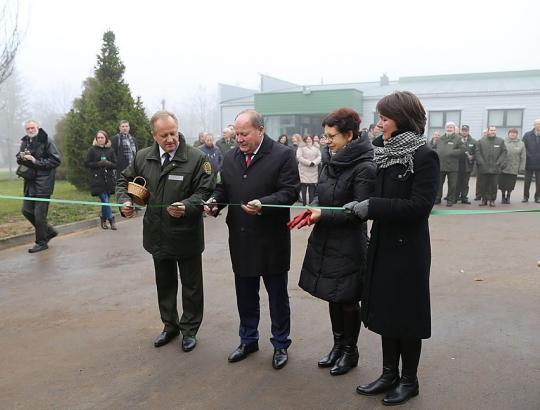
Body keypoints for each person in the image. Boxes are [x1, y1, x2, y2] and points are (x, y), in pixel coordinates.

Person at [344, 91, 439, 406]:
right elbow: (373, 191)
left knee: (406, 315)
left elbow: (419, 207)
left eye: (384, 118)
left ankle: (409, 380)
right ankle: (389, 374)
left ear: (401, 118)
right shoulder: (383, 152)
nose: (379, 124)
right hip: (383, 244)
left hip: (409, 250)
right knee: (385, 310)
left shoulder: (423, 156)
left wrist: (372, 206)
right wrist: (355, 200)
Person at [205, 109, 300, 370]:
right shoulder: (231, 157)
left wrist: (264, 204)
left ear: (260, 130)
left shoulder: (283, 155)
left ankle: (280, 343)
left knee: (277, 296)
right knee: (245, 294)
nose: (239, 139)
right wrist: (214, 203)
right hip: (241, 238)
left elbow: (290, 192)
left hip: (271, 239)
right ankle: (248, 339)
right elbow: (223, 188)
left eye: (244, 133)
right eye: (236, 134)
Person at [116, 111, 214, 352]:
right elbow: (125, 182)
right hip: (156, 234)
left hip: (186, 234)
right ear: (154, 135)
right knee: (165, 283)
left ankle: (189, 330)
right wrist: (125, 202)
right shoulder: (143, 157)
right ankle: (169, 325)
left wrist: (188, 206)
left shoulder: (196, 158)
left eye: (173, 133)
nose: (170, 139)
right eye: (164, 135)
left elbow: (204, 191)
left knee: (191, 286)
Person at [293, 108, 375, 376]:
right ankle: (337, 345)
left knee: (348, 299)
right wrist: (313, 209)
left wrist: (322, 214)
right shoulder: (330, 159)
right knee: (332, 295)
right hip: (325, 236)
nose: (326, 141)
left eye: (331, 136)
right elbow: (320, 194)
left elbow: (358, 212)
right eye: (325, 136)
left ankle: (350, 351)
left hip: (349, 242)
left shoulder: (364, 166)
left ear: (349, 135)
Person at [16, 120, 61, 253]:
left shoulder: (46, 140)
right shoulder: (25, 141)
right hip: (29, 183)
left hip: (44, 183)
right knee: (26, 210)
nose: (30, 130)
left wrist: (35, 160)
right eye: (28, 128)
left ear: (38, 127)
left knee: (39, 215)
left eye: (32, 127)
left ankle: (41, 242)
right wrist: (21, 156)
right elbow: (19, 159)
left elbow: (55, 160)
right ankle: (49, 231)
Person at [84, 130, 118, 229]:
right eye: (98, 138)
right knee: (105, 200)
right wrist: (98, 164)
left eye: (102, 137)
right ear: (96, 139)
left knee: (105, 201)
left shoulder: (110, 150)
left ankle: (103, 218)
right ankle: (111, 219)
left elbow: (115, 164)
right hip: (97, 179)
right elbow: (87, 163)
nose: (100, 139)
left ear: (106, 139)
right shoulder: (92, 150)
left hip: (108, 179)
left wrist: (109, 164)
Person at [432, 122, 464, 206]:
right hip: (441, 165)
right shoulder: (440, 138)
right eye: (448, 127)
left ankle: (450, 200)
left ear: (454, 129)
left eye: (451, 127)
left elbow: (462, 150)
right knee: (438, 184)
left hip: (452, 166)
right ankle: (437, 198)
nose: (449, 129)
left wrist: (451, 152)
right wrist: (437, 152)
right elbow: (434, 148)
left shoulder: (458, 138)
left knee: (452, 185)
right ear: (445, 128)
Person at [476, 126, 507, 207]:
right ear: (488, 131)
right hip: (483, 168)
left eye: (494, 130)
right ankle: (484, 200)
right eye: (491, 130)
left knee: (493, 185)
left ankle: (492, 200)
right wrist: (481, 162)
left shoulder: (500, 141)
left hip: (495, 168)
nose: (493, 131)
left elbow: (504, 152)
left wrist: (499, 162)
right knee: (483, 185)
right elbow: (477, 152)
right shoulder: (481, 141)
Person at [499, 128, 526, 204]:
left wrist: (522, 167)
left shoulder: (521, 143)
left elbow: (523, 157)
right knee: (502, 184)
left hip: (514, 167)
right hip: (503, 166)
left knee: (510, 184)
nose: (513, 134)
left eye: (514, 133)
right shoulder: (503, 142)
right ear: (508, 134)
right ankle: (503, 197)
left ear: (517, 134)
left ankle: (508, 197)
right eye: (511, 133)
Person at [296, 135, 321, 206]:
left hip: (313, 169)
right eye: (307, 139)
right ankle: (304, 203)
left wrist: (314, 162)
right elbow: (299, 157)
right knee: (303, 187)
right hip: (304, 169)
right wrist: (308, 162)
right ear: (305, 140)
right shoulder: (301, 147)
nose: (309, 140)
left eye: (310, 139)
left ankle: (311, 203)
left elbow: (319, 156)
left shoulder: (316, 147)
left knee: (312, 187)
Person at [456, 125, 477, 204]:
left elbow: (476, 152)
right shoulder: (457, 140)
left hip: (467, 165)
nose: (464, 132)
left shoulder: (473, 141)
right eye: (463, 130)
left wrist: (473, 157)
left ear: (468, 131)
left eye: (466, 130)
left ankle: (464, 198)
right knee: (457, 182)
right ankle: (456, 197)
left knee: (465, 183)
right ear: (461, 131)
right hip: (457, 164)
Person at [521, 119, 540, 203]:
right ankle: (525, 197)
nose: (539, 125)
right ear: (534, 125)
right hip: (528, 162)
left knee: (539, 182)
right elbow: (523, 147)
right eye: (538, 124)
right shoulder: (527, 135)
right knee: (527, 182)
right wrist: (528, 156)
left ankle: (537, 197)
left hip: (539, 163)